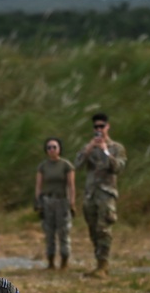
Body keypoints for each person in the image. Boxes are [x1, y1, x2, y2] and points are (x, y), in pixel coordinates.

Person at [74, 112, 127, 279]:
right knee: (93, 230)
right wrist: (90, 149)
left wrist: (105, 152)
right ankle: (98, 263)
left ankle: (103, 265)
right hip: (91, 194)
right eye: (96, 127)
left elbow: (118, 168)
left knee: (104, 228)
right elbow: (77, 165)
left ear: (107, 127)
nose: (99, 130)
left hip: (106, 194)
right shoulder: (89, 147)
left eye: (101, 126)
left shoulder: (116, 148)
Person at [35, 137, 76, 270]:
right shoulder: (43, 166)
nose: (52, 150)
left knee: (63, 231)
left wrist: (72, 202)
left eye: (54, 147)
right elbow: (39, 185)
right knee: (49, 232)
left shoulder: (66, 165)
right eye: (49, 147)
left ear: (59, 149)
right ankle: (51, 261)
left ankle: (64, 259)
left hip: (62, 200)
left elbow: (71, 185)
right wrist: (38, 202)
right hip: (48, 201)